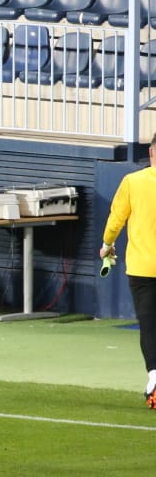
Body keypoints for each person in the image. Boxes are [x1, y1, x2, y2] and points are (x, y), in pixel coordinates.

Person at [100, 139, 156, 408]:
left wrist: (107, 245)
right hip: (142, 269)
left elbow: (116, 219)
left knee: (149, 326)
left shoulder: (133, 182)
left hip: (143, 269)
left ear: (151, 151)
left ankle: (154, 378)